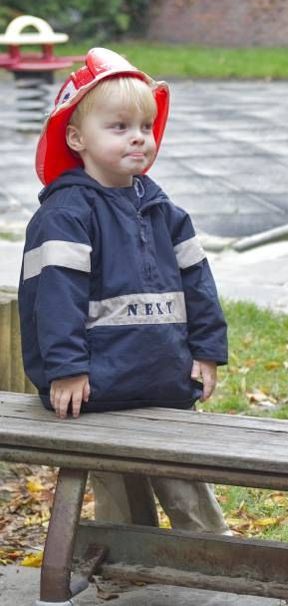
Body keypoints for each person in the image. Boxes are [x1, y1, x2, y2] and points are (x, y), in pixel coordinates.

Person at [19, 47, 231, 536]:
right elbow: (55, 299)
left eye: (145, 126)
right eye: (119, 127)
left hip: (162, 380)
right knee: (115, 482)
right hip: (95, 387)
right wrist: (66, 369)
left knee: (184, 480)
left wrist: (207, 351)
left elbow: (199, 287)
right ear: (77, 138)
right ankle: (123, 561)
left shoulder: (165, 212)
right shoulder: (66, 215)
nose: (138, 137)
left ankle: (213, 558)